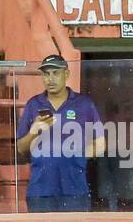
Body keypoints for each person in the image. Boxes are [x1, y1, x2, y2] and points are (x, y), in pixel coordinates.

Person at [15, 54, 106, 212]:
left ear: (66, 74)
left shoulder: (84, 104)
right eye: (46, 74)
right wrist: (33, 132)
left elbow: (100, 144)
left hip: (75, 189)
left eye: (55, 73)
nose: (50, 79)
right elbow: (20, 148)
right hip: (40, 191)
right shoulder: (33, 104)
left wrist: (74, 154)